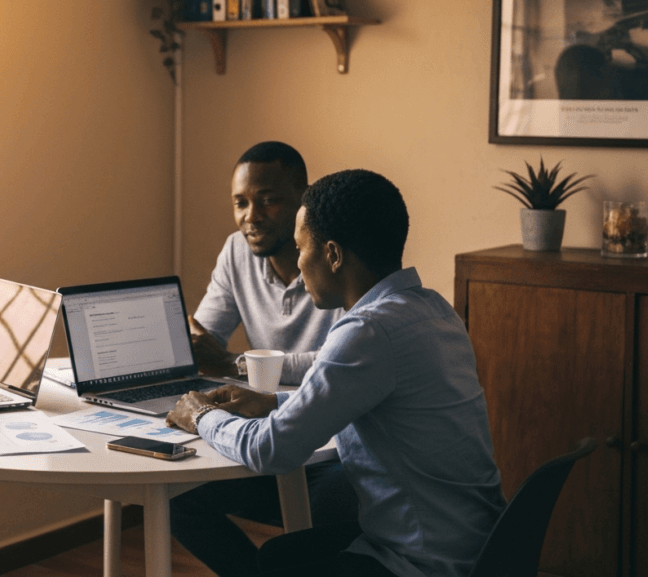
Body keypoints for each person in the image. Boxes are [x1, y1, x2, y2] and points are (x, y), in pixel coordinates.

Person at [168, 169, 506, 577]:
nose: (298, 262)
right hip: (476, 545)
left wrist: (201, 416)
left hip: (419, 562)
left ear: (332, 254)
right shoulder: (432, 309)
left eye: (300, 249)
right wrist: (274, 400)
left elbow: (272, 450)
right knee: (279, 555)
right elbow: (373, 397)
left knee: (278, 558)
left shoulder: (367, 330)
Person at [169, 142, 356, 577]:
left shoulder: (338, 259)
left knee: (337, 505)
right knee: (177, 497)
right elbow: (205, 340)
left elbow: (342, 362)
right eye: (240, 203)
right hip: (266, 424)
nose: (251, 216)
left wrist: (237, 364)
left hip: (329, 449)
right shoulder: (237, 251)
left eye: (268, 200)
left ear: (302, 199)